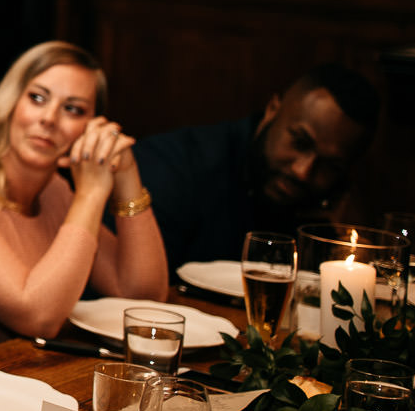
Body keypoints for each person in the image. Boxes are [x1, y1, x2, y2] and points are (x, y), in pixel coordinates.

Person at [0, 42, 168, 353]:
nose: (50, 118)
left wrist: (126, 176)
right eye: (37, 98)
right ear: (11, 102)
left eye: (73, 109)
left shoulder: (56, 192)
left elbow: (142, 298)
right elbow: (38, 318)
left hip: (24, 379)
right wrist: (91, 194)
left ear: (90, 127)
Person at [129, 64, 379, 268]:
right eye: (300, 142)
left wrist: (341, 242)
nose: (303, 172)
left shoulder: (332, 209)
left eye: (329, 165)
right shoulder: (174, 165)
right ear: (272, 109)